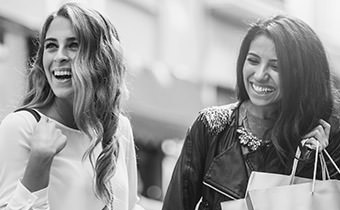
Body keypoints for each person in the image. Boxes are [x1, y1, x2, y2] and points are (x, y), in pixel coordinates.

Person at [162, 15, 340, 210]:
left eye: (276, 67)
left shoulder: (326, 141)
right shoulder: (210, 126)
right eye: (253, 61)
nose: (260, 75)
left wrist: (310, 160)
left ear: (302, 75)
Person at [0, 3, 141, 210]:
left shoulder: (119, 128)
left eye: (73, 45)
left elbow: (130, 206)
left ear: (101, 58)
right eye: (51, 46)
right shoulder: (22, 127)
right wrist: (39, 162)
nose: (59, 56)